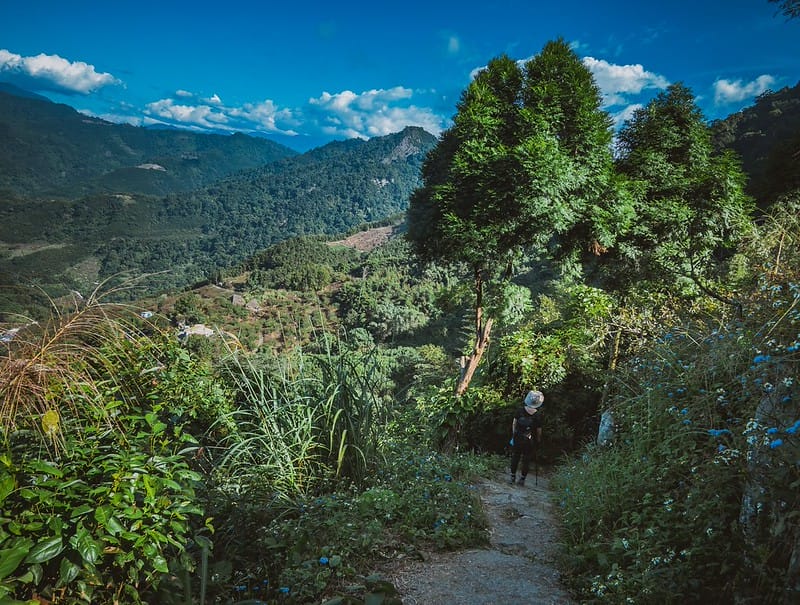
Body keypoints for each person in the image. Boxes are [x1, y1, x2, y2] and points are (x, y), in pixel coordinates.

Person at [509, 390, 543, 486]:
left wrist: (514, 434)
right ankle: (522, 479)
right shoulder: (537, 415)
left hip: (517, 437)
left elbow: (514, 423)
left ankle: (512, 476)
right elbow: (539, 431)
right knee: (526, 459)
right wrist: (538, 441)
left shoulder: (520, 410)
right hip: (529, 440)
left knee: (515, 456)